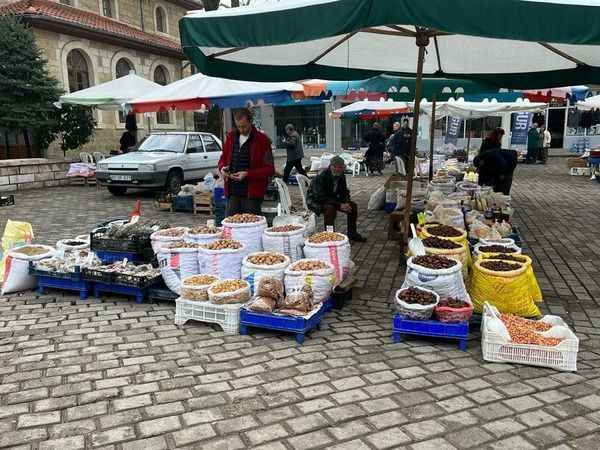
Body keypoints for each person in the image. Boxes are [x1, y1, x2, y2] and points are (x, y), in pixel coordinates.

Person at [218, 108, 275, 216]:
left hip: (252, 195)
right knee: (230, 227)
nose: (241, 129)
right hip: (232, 193)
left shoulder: (262, 140)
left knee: (251, 228)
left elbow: (270, 169)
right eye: (238, 126)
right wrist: (222, 169)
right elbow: (222, 159)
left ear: (250, 121)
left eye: (244, 126)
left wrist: (248, 174)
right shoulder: (230, 138)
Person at [306, 156, 366, 242]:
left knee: (352, 206)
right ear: (331, 166)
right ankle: (329, 235)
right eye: (336, 167)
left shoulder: (341, 176)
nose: (338, 170)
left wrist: (346, 202)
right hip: (316, 200)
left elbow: (344, 191)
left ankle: (352, 233)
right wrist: (339, 205)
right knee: (330, 209)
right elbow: (320, 196)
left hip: (331, 199)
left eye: (341, 168)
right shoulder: (321, 177)